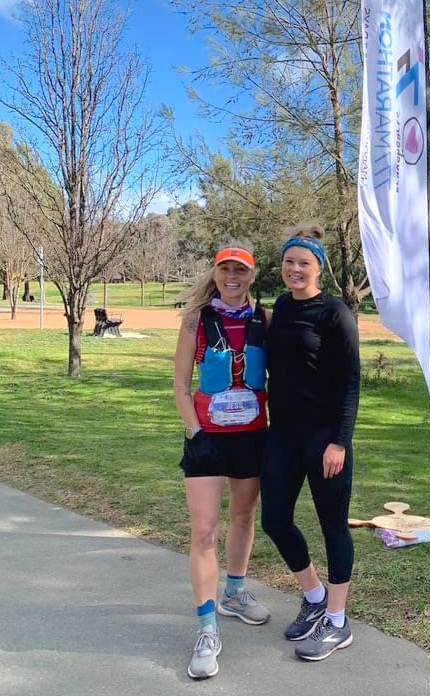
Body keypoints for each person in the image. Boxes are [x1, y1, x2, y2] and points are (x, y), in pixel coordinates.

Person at [261, 223, 360, 662]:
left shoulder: (336, 313)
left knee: (332, 524)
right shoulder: (280, 307)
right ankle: (315, 595)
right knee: (275, 520)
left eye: (304, 263)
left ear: (318, 267)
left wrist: (339, 441)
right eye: (289, 261)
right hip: (281, 433)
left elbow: (351, 383)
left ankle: (337, 623)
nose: (295, 269)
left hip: (324, 438)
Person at [174, 244, 270, 680]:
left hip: (250, 436)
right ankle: (207, 628)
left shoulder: (264, 320)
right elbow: (179, 386)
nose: (232, 276)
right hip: (208, 438)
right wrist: (195, 432)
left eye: (240, 271)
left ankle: (235, 592)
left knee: (244, 516)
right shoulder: (196, 320)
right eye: (225, 269)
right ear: (215, 274)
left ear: (252, 276)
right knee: (204, 529)